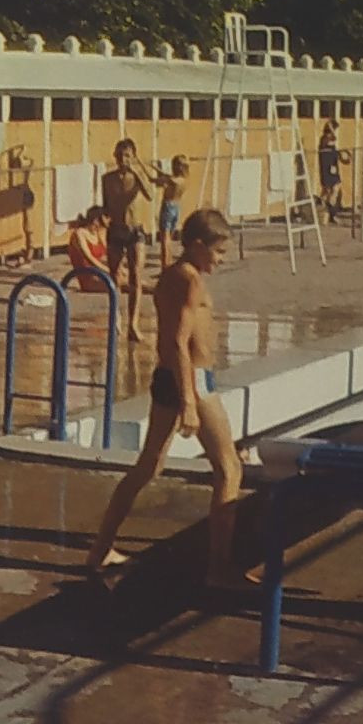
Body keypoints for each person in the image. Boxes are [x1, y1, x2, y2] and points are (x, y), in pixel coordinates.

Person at [86, 209, 252, 588]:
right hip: (190, 381)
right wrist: (190, 400)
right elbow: (177, 341)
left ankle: (101, 550)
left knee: (148, 467)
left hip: (172, 379)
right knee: (229, 469)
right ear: (196, 245)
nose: (221, 260)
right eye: (218, 252)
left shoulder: (174, 275)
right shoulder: (188, 280)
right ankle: (218, 569)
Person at [101, 138, 153, 342]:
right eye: (120, 155)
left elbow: (149, 195)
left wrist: (139, 172)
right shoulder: (107, 179)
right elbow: (106, 205)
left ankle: (134, 322)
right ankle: (116, 316)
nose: (123, 160)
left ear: (133, 157)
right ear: (115, 156)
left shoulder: (136, 178)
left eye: (128, 156)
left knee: (136, 277)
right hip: (116, 230)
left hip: (135, 230)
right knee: (114, 277)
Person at [151, 154, 191, 269]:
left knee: (164, 239)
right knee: (169, 238)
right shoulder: (183, 180)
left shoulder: (173, 180)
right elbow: (165, 175)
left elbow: (154, 179)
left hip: (167, 207)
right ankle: (169, 262)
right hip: (176, 207)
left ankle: (165, 265)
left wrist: (143, 168)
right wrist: (154, 167)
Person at [68, 206, 109, 292]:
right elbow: (89, 257)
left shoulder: (98, 233)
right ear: (95, 221)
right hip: (88, 275)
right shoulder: (79, 233)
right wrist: (108, 270)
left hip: (100, 273)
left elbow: (106, 255)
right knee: (119, 283)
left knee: (130, 279)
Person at [317, 120, 348, 223]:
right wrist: (330, 127)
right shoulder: (325, 139)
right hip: (328, 168)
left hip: (332, 166)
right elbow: (333, 140)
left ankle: (324, 210)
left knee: (328, 191)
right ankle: (331, 212)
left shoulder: (328, 140)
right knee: (334, 188)